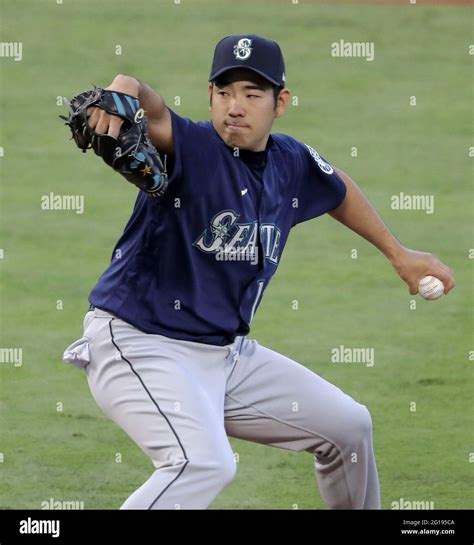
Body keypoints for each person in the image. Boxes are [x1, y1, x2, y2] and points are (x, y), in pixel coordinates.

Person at [63, 35, 455, 510]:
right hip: (139, 344)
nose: (235, 106)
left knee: (349, 428)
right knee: (203, 463)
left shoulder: (290, 162)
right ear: (209, 95)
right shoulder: (189, 145)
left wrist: (399, 253)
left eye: (252, 94)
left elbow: (336, 187)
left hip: (223, 358)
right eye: (225, 92)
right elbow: (154, 109)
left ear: (280, 103)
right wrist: (125, 85)